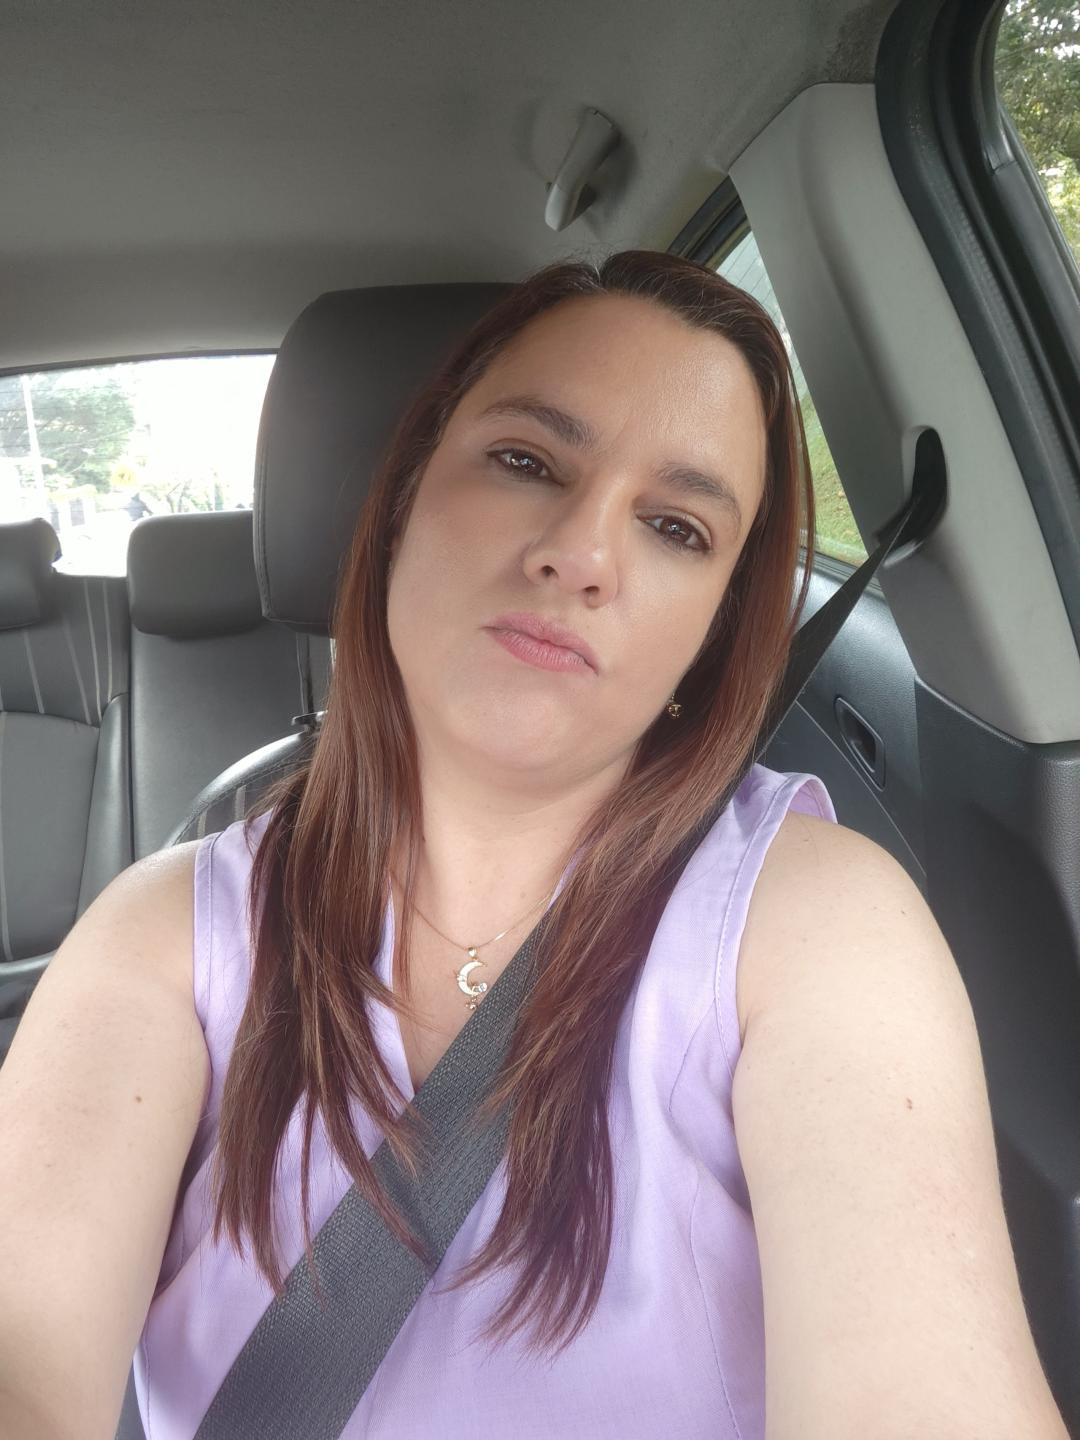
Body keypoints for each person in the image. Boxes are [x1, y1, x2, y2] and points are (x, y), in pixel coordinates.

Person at [0, 252, 1067, 1440]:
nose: (583, 554)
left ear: (713, 633)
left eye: (676, 526)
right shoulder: (162, 937)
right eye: (526, 462)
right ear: (400, 501)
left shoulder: (813, 925)